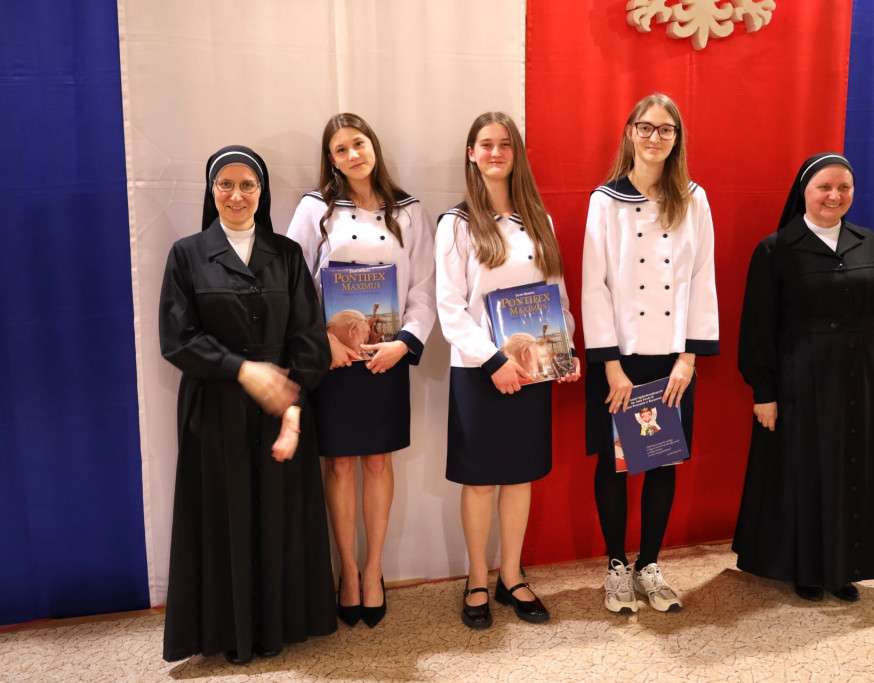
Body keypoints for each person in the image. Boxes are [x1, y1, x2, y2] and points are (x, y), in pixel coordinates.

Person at [159, 145, 336, 664]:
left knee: (280, 514)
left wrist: (293, 406)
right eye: (225, 184)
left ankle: (279, 627)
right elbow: (177, 340)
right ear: (211, 190)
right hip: (214, 409)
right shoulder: (186, 254)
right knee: (223, 516)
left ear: (262, 191)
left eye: (247, 185)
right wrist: (243, 369)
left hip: (282, 408)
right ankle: (226, 634)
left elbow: (309, 340)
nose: (236, 195)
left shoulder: (287, 255)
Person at [732, 153, 874, 603]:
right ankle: (807, 570)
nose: (835, 196)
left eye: (844, 187)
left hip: (863, 377)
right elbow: (757, 328)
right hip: (802, 379)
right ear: (804, 192)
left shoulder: (868, 243)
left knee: (853, 465)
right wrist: (764, 391)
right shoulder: (776, 249)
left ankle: (845, 568)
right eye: (825, 187)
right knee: (807, 470)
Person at [286, 113, 435, 628]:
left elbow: (424, 287)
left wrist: (405, 343)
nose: (353, 155)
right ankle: (347, 572)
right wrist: (321, 340)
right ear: (331, 160)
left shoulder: (408, 210)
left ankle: (374, 571)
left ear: (374, 146)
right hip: (332, 358)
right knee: (340, 465)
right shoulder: (315, 208)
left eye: (359, 143)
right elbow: (294, 282)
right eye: (341, 149)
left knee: (376, 462)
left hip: (386, 356)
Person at [435, 111, 580, 629]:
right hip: (479, 371)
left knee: (519, 478)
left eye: (505, 144)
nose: (495, 153)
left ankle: (512, 575)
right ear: (471, 154)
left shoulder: (539, 220)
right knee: (480, 481)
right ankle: (477, 577)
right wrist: (495, 361)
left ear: (516, 154)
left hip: (532, 369)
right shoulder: (455, 224)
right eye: (485, 144)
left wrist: (563, 352)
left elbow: (557, 298)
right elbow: (450, 308)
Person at [581, 93, 719, 614]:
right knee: (614, 465)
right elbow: (594, 286)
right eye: (646, 127)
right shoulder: (605, 200)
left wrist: (689, 359)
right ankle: (617, 566)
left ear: (676, 138)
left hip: (672, 359)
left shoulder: (694, 199)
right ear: (630, 132)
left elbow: (703, 279)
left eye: (665, 129)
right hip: (620, 358)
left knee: (662, 461)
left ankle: (650, 564)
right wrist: (611, 366)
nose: (655, 137)